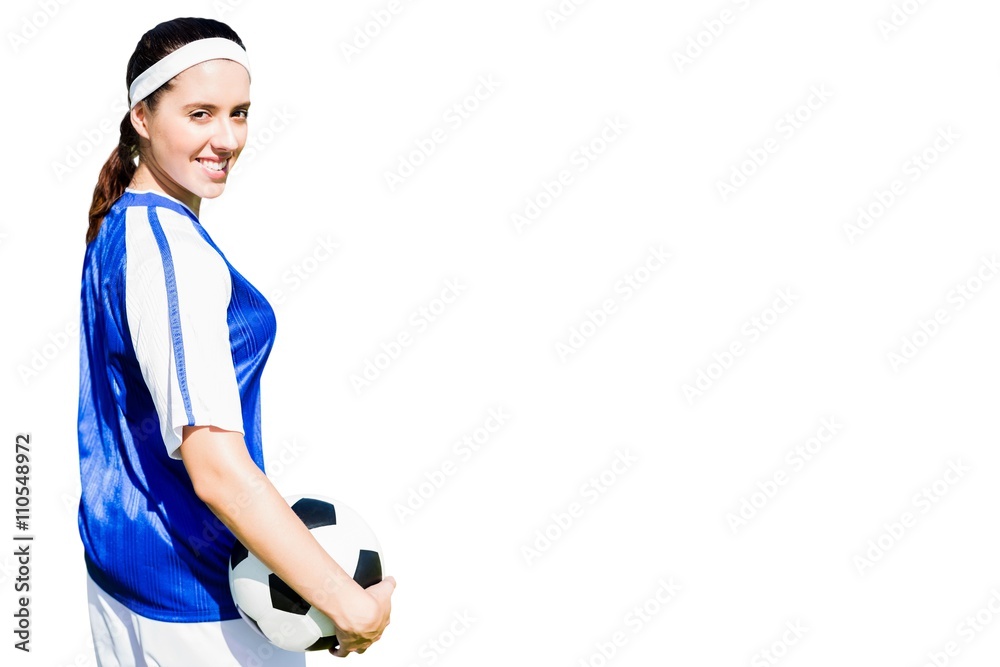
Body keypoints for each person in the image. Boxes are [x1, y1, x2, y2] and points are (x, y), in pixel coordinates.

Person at [77, 16, 394, 665]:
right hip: (198, 608)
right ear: (142, 115)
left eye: (240, 113)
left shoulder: (120, 224)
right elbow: (216, 467)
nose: (227, 138)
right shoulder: (168, 256)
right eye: (200, 113)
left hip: (124, 576)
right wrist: (347, 601)